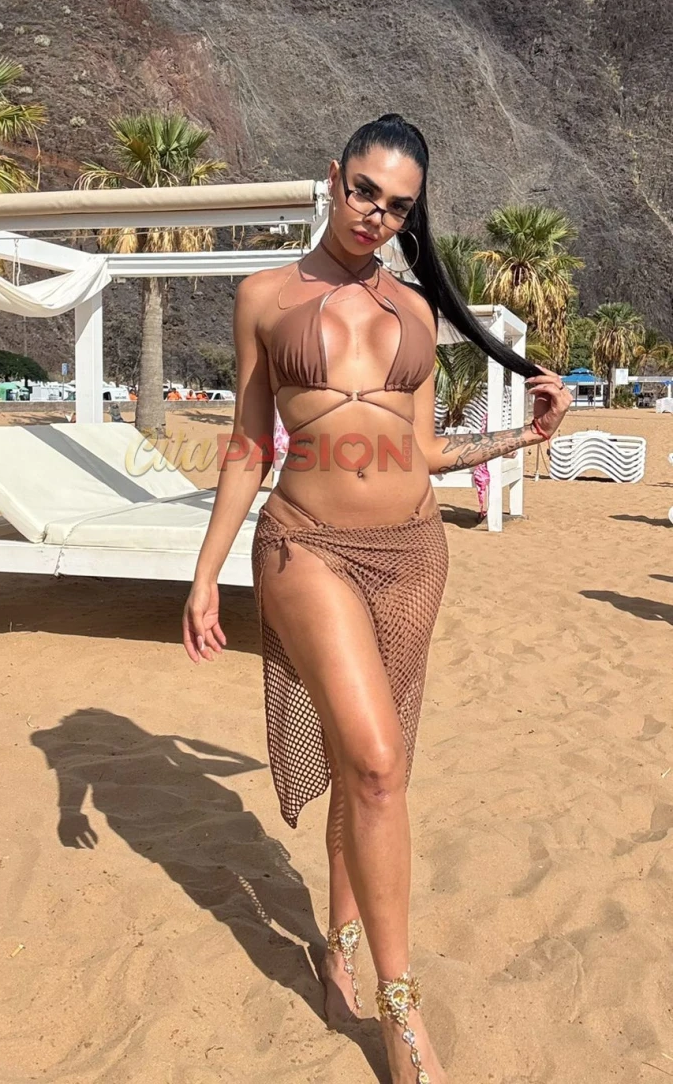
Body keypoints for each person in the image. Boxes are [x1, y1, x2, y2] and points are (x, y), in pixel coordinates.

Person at [183, 115, 571, 1083]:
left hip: (412, 552)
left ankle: (339, 947)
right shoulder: (263, 295)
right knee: (377, 759)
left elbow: (424, 449)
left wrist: (520, 438)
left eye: (396, 206)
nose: (374, 214)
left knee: (370, 770)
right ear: (333, 177)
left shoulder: (416, 310)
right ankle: (402, 1013)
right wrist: (206, 570)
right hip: (306, 545)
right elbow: (248, 444)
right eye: (363, 191)